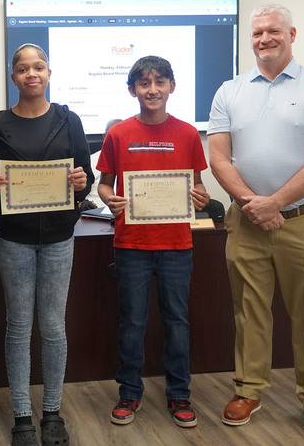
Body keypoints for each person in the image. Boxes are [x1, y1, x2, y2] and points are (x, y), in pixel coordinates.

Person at [207, 3, 304, 435]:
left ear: (291, 34)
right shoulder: (229, 91)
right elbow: (218, 159)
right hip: (246, 222)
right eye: (257, 33)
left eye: (273, 31)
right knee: (249, 312)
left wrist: (276, 203)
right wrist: (255, 204)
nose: (264, 39)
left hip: (303, 220)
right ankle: (249, 389)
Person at [0, 44, 93, 446]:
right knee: (18, 327)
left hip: (60, 238)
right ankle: (22, 417)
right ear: (13, 77)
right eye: (23, 69)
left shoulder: (68, 119)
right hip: (14, 238)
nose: (32, 74)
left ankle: (52, 412)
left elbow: (87, 177)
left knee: (53, 326)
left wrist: (81, 184)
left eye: (39, 67)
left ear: (48, 73)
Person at [97, 55, 210, 429]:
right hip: (131, 244)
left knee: (177, 322)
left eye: (160, 82)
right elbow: (105, 183)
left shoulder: (189, 134)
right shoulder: (118, 134)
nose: (152, 90)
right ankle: (129, 393)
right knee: (132, 322)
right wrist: (108, 199)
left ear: (172, 87)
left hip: (177, 244)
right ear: (132, 90)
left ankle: (179, 395)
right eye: (144, 84)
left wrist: (200, 197)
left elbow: (198, 185)